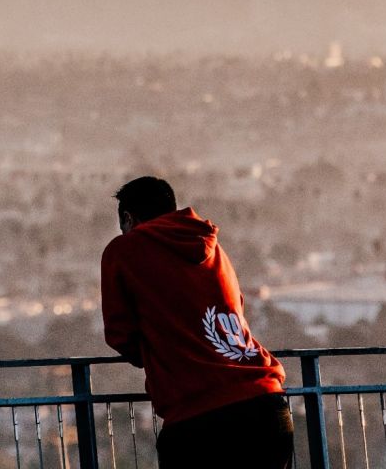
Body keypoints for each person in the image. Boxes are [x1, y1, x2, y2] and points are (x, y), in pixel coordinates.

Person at [101, 176, 293, 468]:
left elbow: (120, 335)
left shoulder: (125, 250)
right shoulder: (213, 247)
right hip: (266, 405)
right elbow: (235, 310)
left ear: (128, 218)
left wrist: (163, 350)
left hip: (199, 418)